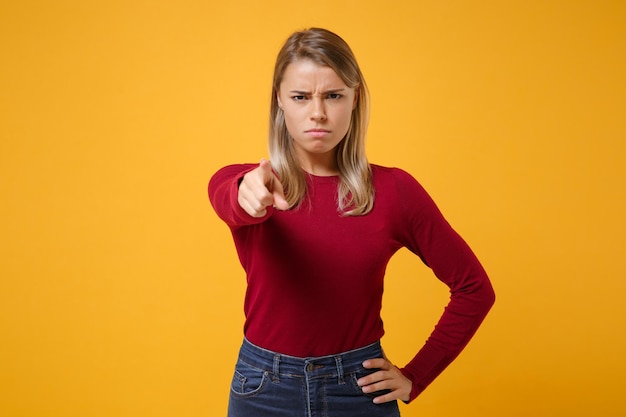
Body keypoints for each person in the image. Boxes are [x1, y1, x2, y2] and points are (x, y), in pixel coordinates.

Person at [208, 27, 495, 417]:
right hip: (263, 389)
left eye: (333, 95)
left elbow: (474, 288)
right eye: (300, 97)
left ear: (355, 98)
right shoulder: (247, 182)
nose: (318, 113)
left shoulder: (395, 191)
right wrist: (248, 191)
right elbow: (230, 198)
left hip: (357, 391)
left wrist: (417, 376)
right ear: (279, 101)